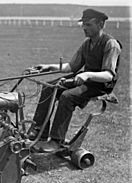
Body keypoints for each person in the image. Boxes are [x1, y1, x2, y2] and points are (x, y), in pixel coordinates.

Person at [27, 9, 122, 153]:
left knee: (67, 96)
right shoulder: (86, 43)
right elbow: (71, 66)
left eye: (88, 25)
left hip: (100, 85)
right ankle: (39, 131)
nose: (84, 28)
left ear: (101, 24)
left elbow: (109, 75)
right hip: (85, 79)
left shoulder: (111, 44)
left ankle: (56, 141)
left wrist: (87, 75)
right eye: (83, 24)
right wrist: (48, 67)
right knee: (49, 88)